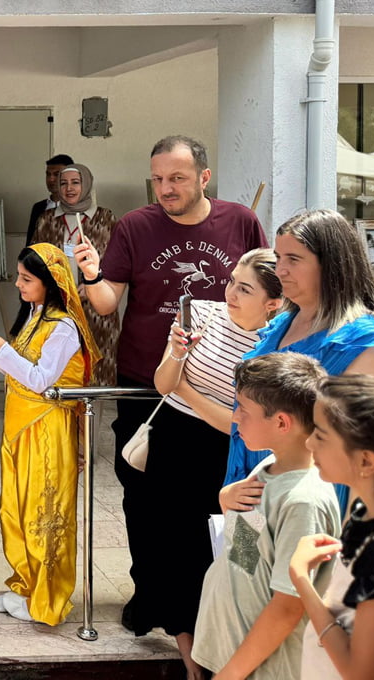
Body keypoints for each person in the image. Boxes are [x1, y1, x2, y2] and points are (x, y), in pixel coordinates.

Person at [73, 134, 267, 634]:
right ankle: (151, 593)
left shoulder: (240, 221)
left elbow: (270, 294)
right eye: (158, 178)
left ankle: (215, 596)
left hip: (226, 390)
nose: (166, 188)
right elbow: (108, 304)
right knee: (143, 494)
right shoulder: (136, 226)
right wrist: (93, 276)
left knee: (215, 495)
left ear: (204, 177)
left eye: (177, 178)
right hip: (151, 383)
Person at [145, 249, 284, 676]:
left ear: (273, 303)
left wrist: (186, 392)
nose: (231, 293)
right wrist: (175, 354)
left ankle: (227, 655)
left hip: (231, 457)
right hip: (173, 441)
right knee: (172, 551)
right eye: (231, 282)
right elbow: (162, 383)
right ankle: (191, 663)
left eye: (245, 288)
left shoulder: (275, 342)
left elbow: (240, 427)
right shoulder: (203, 313)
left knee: (225, 556)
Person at [227, 209, 374, 509]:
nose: (279, 270)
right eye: (278, 257)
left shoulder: (368, 348)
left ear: (332, 266)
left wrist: (351, 546)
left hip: (317, 516)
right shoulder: (279, 326)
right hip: (258, 498)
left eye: (293, 260)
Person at [0, 243, 99, 625]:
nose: (18, 285)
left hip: (46, 432)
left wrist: (0, 348)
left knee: (45, 512)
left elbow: (43, 381)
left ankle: (46, 598)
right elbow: (24, 364)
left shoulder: (63, 327)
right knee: (19, 509)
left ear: (50, 282)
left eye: (26, 279)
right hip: (23, 428)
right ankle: (26, 584)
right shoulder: (37, 315)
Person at [191, 353, 340, 680]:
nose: (234, 417)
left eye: (243, 409)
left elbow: (288, 607)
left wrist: (229, 675)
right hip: (237, 658)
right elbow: (246, 557)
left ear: (282, 423)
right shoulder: (266, 468)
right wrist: (227, 501)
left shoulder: (303, 501)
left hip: (263, 670)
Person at [290, 376, 374, 679]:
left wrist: (300, 580)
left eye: (320, 436)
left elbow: (361, 673)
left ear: (366, 461)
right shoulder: (365, 515)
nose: (309, 443)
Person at [31, 163, 119, 385]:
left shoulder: (106, 218)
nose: (69, 188)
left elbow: (117, 260)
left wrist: (93, 285)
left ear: (87, 184)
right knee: (59, 367)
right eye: (64, 183)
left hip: (95, 303)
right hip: (57, 304)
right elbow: (34, 260)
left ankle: (92, 420)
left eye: (75, 182)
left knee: (94, 370)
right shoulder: (47, 219)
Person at [25, 154, 73, 245]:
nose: (51, 179)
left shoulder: (79, 208)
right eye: (48, 174)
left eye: (56, 174)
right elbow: (30, 243)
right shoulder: (38, 208)